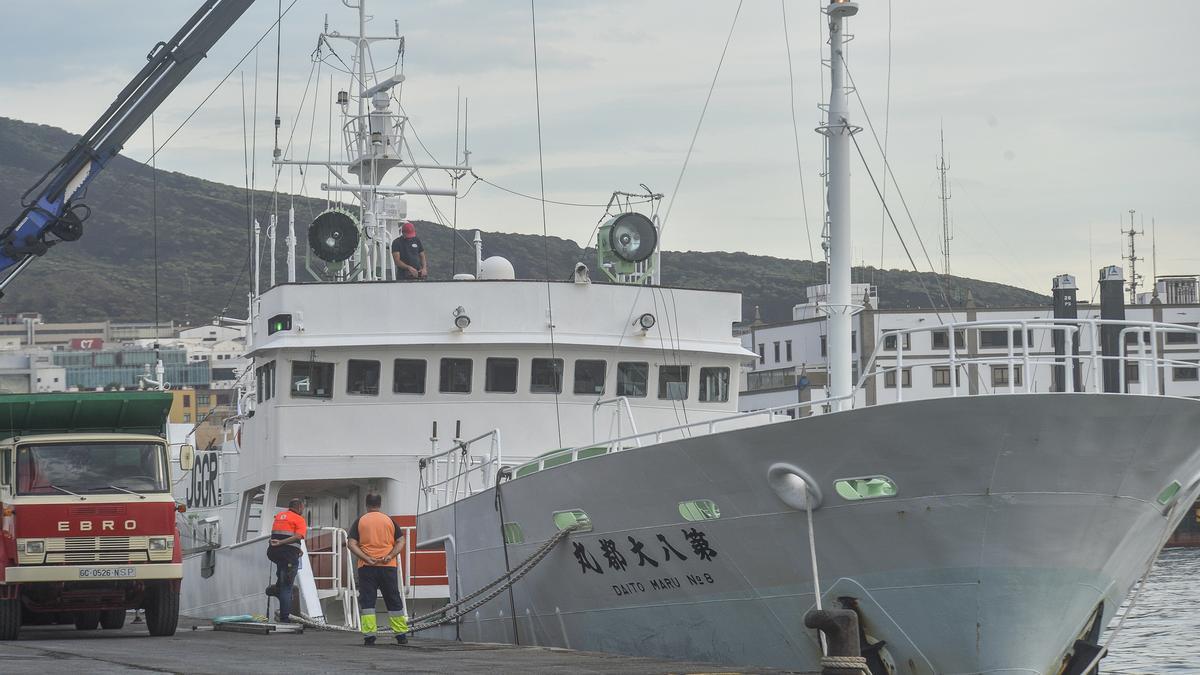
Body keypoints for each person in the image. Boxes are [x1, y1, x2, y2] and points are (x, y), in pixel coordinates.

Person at [347, 493, 409, 646]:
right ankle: (401, 635)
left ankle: (369, 637)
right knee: (393, 598)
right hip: (388, 566)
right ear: (380, 504)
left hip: (366, 567)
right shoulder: (389, 520)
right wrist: (390, 555)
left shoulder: (360, 521)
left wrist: (366, 557)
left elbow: (351, 543)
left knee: (368, 601)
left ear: (366, 504)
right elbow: (401, 541)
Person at [265, 497, 307, 624]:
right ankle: (285, 619)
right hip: (288, 556)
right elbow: (298, 536)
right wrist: (282, 543)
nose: (303, 510)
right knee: (287, 588)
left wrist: (296, 549)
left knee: (282, 572)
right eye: (303, 508)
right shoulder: (299, 519)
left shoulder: (279, 516)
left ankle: (277, 587)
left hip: (274, 553)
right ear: (299, 507)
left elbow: (281, 534)